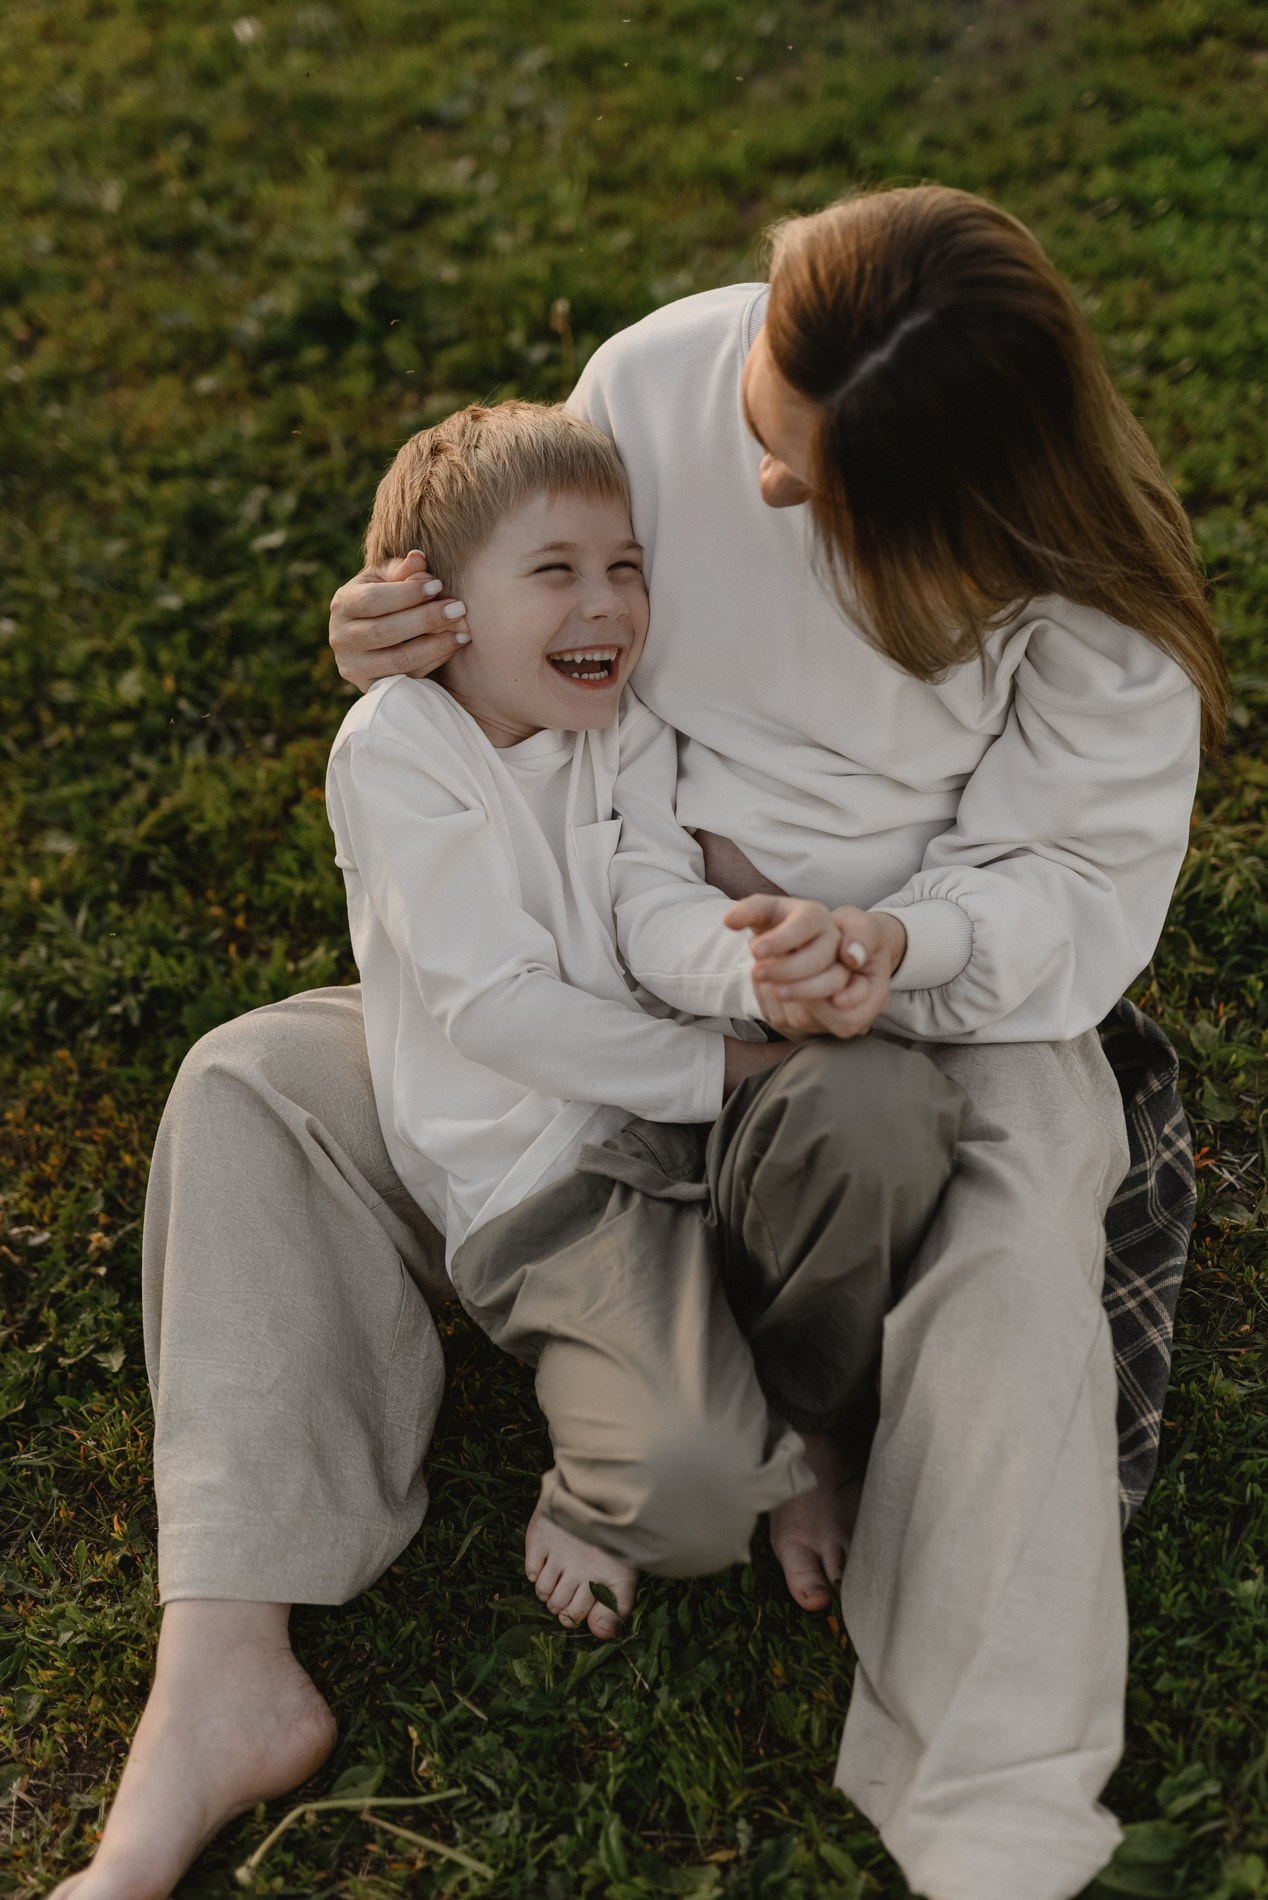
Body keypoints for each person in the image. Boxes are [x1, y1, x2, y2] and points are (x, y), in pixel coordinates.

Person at [54, 184, 1224, 1900]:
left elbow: (1074, 897)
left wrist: (892, 944)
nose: (756, 484)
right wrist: (401, 651)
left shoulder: (1082, 604)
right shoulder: (663, 374)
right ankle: (228, 1654)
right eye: (763, 423)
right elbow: (537, 629)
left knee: (1009, 1227)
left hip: (915, 1006)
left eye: (811, 480)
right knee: (250, 1089)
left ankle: (976, 1786)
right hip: (602, 968)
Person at [327, 397, 965, 1629]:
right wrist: (726, 1067)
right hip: (549, 1185)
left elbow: (650, 908)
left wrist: (755, 974)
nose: (607, 605)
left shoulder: (619, 721)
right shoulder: (400, 745)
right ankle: (611, 1474)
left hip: (684, 1117)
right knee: (689, 1498)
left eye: (625, 567)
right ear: (435, 605)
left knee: (883, 1105)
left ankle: (806, 1420)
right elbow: (498, 1007)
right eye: (555, 571)